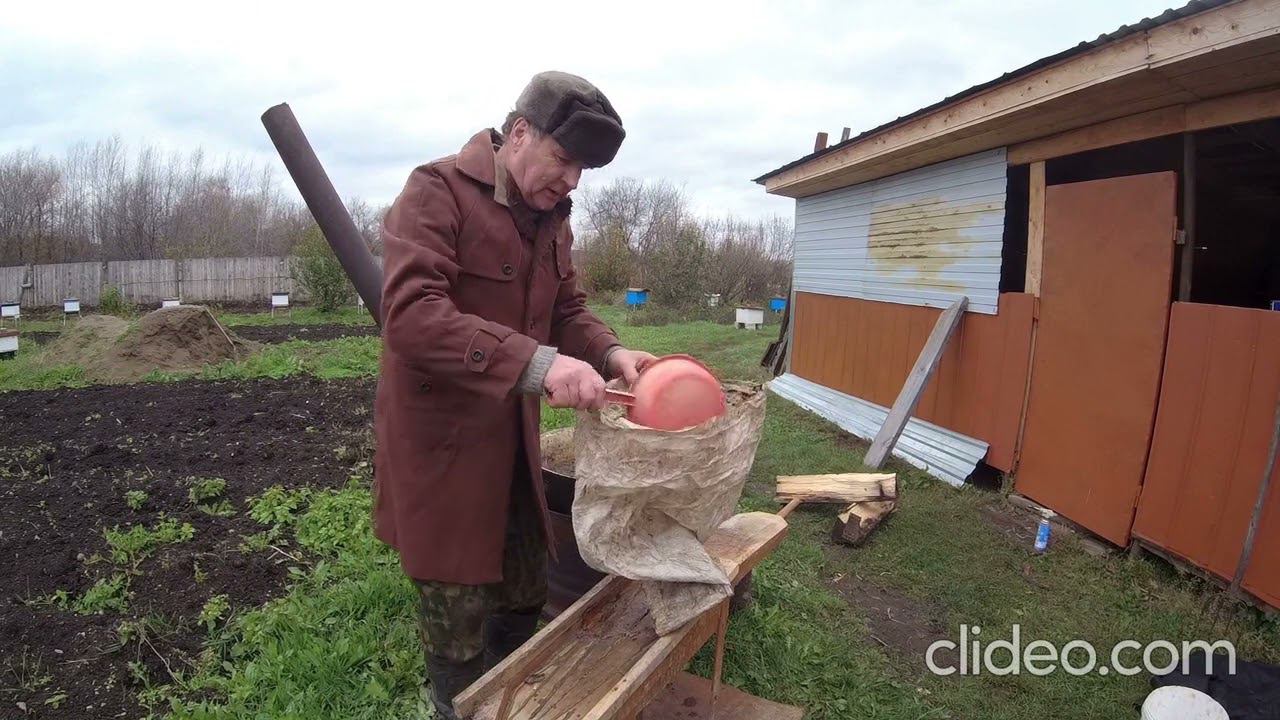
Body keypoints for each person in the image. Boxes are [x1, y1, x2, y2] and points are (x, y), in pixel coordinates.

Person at [372, 71, 655, 718]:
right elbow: (411, 314)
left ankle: (510, 696)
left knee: (525, 594)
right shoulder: (436, 191)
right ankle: (458, 705)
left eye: (582, 170)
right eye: (564, 159)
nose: (572, 181)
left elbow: (567, 310)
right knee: (456, 624)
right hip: (444, 451)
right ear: (519, 133)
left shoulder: (553, 220)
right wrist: (536, 363)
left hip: (514, 449)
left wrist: (610, 352)